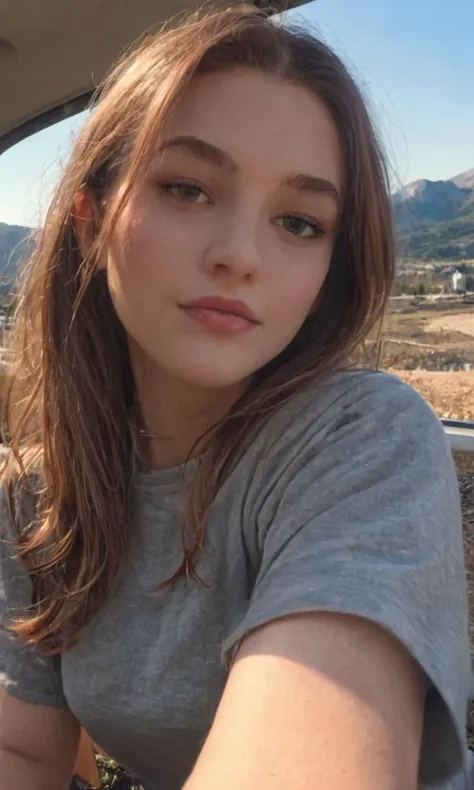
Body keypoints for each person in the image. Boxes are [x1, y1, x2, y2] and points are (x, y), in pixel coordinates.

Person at [0, 5, 471, 790]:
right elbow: (23, 752)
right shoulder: (36, 503)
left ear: (331, 271)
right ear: (91, 221)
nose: (240, 255)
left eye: (299, 222)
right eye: (187, 189)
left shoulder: (361, 440)